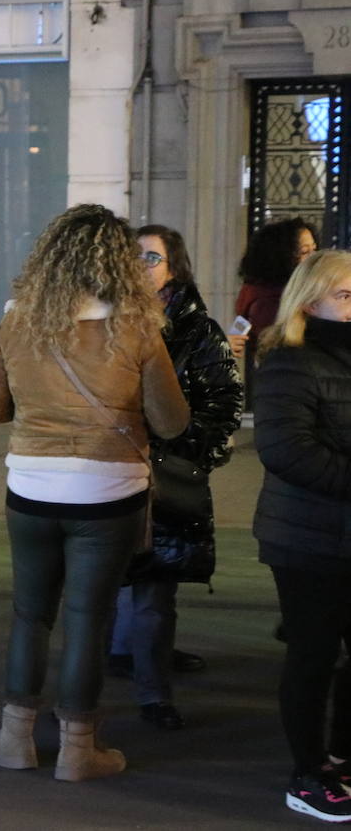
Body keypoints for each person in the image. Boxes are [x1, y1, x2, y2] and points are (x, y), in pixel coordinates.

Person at [0, 204, 188, 781]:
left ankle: (14, 738)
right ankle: (78, 750)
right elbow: (171, 421)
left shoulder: (19, 323)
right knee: (88, 619)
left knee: (30, 614)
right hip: (109, 493)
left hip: (32, 488)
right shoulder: (137, 328)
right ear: (119, 263)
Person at [107, 225, 242, 731]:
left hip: (166, 475)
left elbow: (223, 400)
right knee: (107, 583)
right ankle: (109, 668)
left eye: (152, 258)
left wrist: (190, 455)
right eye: (134, 256)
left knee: (155, 589)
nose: (141, 266)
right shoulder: (102, 320)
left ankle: (153, 694)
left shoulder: (196, 329)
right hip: (108, 472)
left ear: (174, 267)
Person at [249, 250, 351, 822]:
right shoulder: (290, 361)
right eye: (346, 295)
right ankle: (307, 773)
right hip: (307, 537)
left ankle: (342, 756)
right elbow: (287, 450)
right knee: (314, 655)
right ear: (311, 303)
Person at [232, 218, 318, 363]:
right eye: (304, 252)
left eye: (314, 249)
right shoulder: (270, 301)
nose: (314, 257)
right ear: (281, 257)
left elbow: (240, 323)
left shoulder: (253, 290)